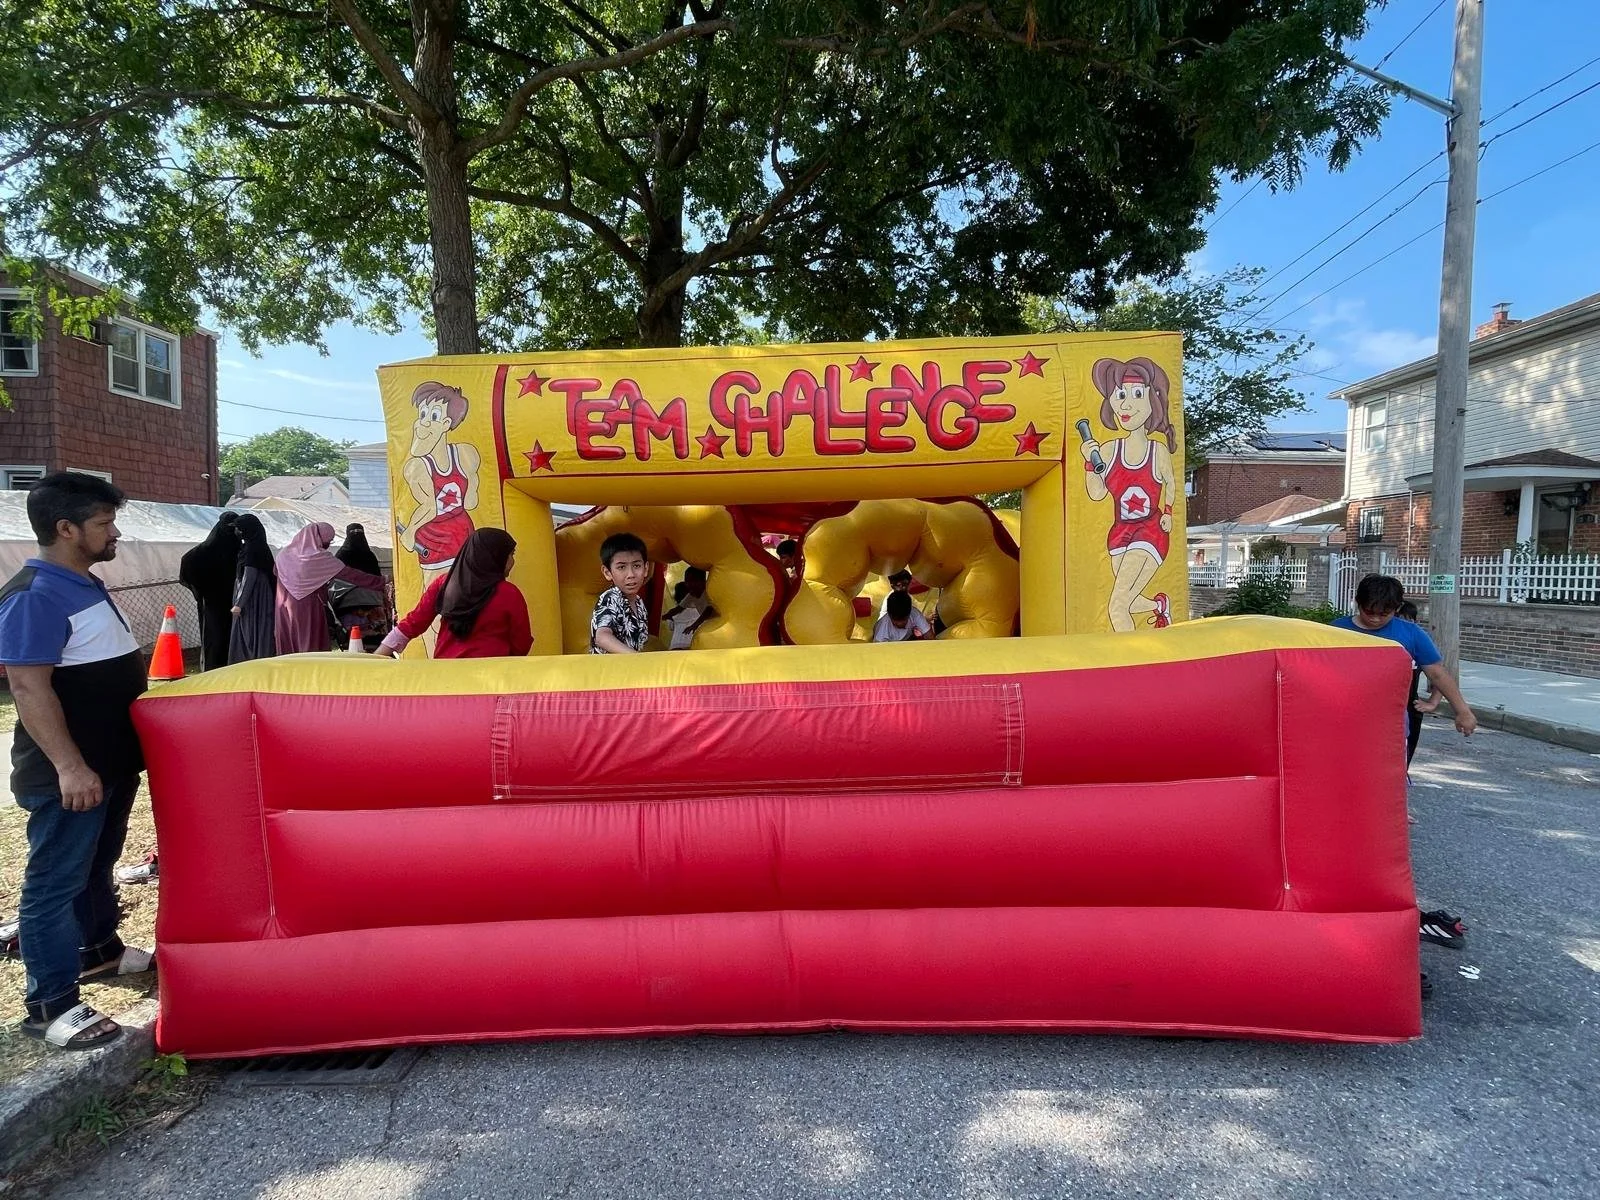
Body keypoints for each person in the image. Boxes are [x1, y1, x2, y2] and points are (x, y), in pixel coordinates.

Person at [0, 473, 155, 1051]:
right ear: (66, 529)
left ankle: (98, 951)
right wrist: (69, 767)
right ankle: (50, 1004)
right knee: (54, 882)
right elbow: (28, 687)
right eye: (103, 524)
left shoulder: (84, 581)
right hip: (70, 774)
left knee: (95, 867)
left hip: (108, 764)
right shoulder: (33, 595)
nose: (114, 533)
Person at [1333, 574, 1475, 965]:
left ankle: (1382, 842)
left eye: (1384, 613)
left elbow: (1438, 673)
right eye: (1369, 611)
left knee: (1385, 791)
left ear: (1396, 610)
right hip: (1340, 726)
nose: (1375, 618)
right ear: (1356, 603)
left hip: (1388, 729)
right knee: (1342, 790)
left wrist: (1461, 710)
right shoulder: (1336, 631)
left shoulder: (1410, 635)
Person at [1082, 357, 1178, 632]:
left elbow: (1170, 483)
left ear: (1152, 401)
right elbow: (1096, 493)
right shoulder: (1109, 450)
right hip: (1120, 532)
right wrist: (1089, 463)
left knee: (1117, 606)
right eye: (1120, 395)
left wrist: (1168, 512)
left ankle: (1129, 656)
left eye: (1136, 395)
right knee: (1128, 600)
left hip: (1150, 531)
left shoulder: (1157, 451)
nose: (1126, 405)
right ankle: (1159, 606)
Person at [376, 529, 532, 659]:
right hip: (491, 677)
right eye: (511, 555)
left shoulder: (444, 584)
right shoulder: (509, 594)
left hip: (447, 675)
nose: (512, 561)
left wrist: (377, 657)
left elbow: (413, 624)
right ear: (496, 556)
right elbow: (521, 644)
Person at [273, 522, 387, 654]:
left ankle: (288, 667)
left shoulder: (283, 554)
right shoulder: (320, 558)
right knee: (310, 643)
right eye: (328, 541)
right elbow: (351, 575)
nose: (328, 544)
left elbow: (276, 572)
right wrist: (382, 581)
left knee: (289, 640)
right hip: (308, 606)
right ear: (319, 538)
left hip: (283, 604)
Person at [177, 511, 239, 671]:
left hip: (224, 603)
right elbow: (188, 564)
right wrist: (201, 591)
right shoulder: (229, 548)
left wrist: (200, 591)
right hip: (220, 603)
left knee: (220, 637)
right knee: (217, 637)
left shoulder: (233, 548)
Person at [590, 533, 651, 654]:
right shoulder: (611, 597)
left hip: (630, 665)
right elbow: (602, 637)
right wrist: (636, 658)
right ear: (607, 572)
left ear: (646, 568)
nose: (631, 575)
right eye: (621, 567)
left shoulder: (639, 603)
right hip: (607, 666)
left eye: (637, 566)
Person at [228, 514, 277, 664]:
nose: (237, 531)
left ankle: (252, 662)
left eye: (239, 528)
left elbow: (249, 576)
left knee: (251, 630)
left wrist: (239, 604)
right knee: (258, 629)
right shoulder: (258, 546)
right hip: (259, 594)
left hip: (254, 596)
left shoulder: (251, 549)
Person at [661, 566, 715, 650]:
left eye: (692, 581)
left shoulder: (708, 593)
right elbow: (679, 609)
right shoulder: (691, 595)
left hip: (716, 625)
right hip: (705, 629)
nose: (688, 584)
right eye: (686, 581)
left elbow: (708, 611)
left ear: (702, 581)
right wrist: (665, 615)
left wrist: (694, 625)